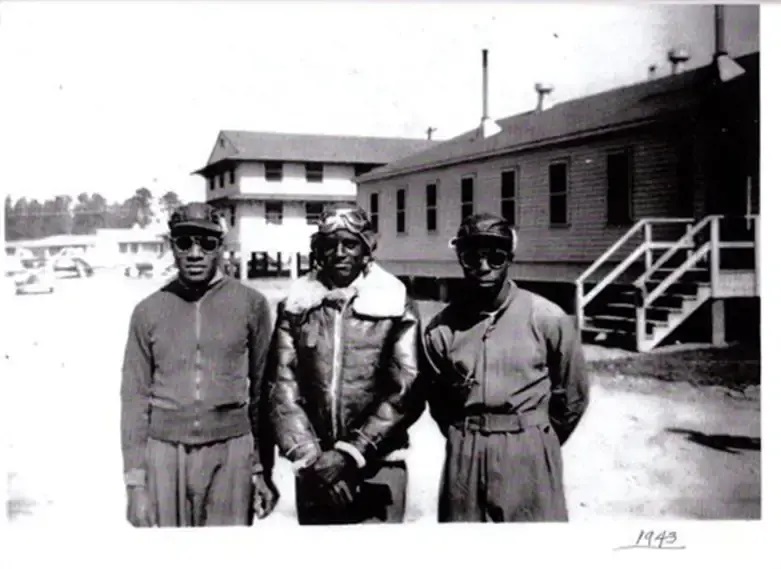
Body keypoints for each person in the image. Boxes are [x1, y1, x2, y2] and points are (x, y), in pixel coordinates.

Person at [421, 212, 590, 523]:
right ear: (460, 259)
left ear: (510, 258)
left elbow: (572, 396)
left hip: (529, 448)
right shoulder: (441, 329)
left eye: (495, 257)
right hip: (466, 452)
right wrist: (467, 437)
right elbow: (439, 403)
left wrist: (536, 437)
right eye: (472, 257)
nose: (484, 267)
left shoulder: (547, 318)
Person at [120, 202, 279, 527]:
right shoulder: (147, 311)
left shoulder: (252, 305)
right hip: (165, 453)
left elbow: (264, 391)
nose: (195, 253)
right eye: (184, 242)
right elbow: (134, 398)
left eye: (206, 243)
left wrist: (262, 469)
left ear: (220, 246)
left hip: (231, 452)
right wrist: (135, 483)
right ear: (172, 246)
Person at [266, 203, 425, 525]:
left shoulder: (394, 302)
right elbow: (281, 385)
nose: (339, 252)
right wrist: (310, 457)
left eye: (350, 243)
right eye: (329, 245)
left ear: (366, 250)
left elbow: (406, 387)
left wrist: (350, 453)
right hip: (316, 470)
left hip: (379, 464)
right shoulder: (297, 306)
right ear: (318, 251)